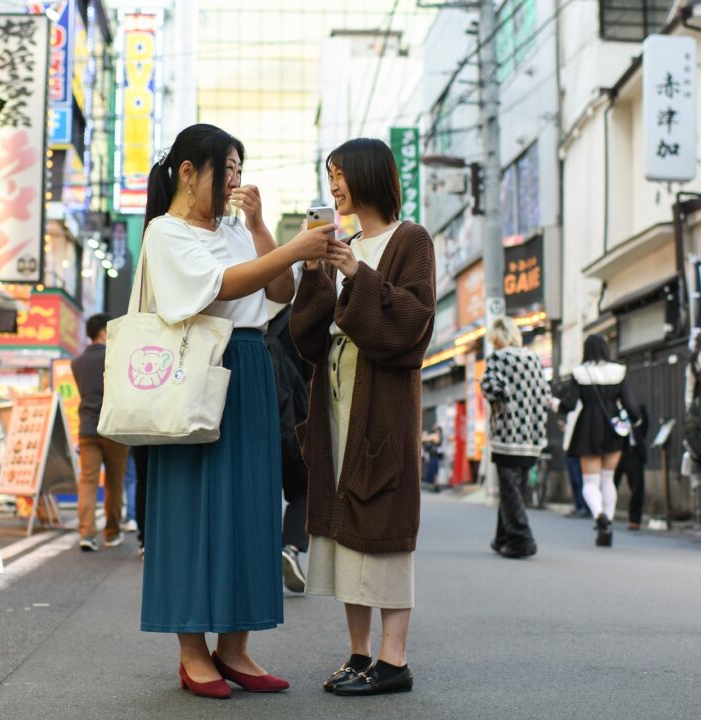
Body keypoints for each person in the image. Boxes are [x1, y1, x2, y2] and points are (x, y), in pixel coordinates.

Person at [138, 123, 334, 700]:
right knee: (193, 509)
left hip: (247, 366)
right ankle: (193, 651)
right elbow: (217, 287)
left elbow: (277, 294)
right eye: (225, 170)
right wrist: (298, 248)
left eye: (239, 172)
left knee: (251, 507)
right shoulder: (163, 233)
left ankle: (236, 647)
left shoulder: (232, 228)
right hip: (193, 367)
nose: (234, 182)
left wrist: (259, 226)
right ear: (188, 172)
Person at [290, 137, 436, 697]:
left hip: (382, 405)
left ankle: (393, 661)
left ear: (371, 175)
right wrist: (315, 273)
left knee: (386, 525)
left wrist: (357, 274)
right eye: (329, 175)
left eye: (341, 174)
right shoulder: (345, 242)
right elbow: (308, 337)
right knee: (346, 527)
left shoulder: (410, 239)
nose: (333, 186)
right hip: (336, 400)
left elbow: (413, 326)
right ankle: (357, 654)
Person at [552, 333, 638, 547]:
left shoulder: (581, 373)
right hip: (612, 429)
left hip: (588, 428)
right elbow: (630, 404)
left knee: (590, 482)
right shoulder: (619, 371)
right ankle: (607, 522)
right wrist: (635, 422)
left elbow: (569, 405)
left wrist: (553, 403)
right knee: (608, 479)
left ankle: (599, 516)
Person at [480, 317, 550, 559]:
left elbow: (490, 387)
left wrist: (504, 397)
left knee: (510, 491)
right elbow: (545, 392)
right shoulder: (532, 358)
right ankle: (502, 538)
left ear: (498, 337)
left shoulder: (499, 358)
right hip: (531, 436)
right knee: (514, 491)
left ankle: (522, 540)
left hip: (507, 435)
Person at [71, 314, 130, 552]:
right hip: (113, 427)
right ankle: (112, 533)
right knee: (114, 483)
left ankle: (86, 533)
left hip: (87, 428)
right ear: (104, 333)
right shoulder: (115, 357)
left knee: (88, 482)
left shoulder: (77, 363)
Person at [264, 303, 312, 593]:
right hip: (292, 419)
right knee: (305, 487)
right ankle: (290, 547)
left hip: (251, 421)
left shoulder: (245, 313)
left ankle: (255, 558)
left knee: (259, 492)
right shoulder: (298, 318)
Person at [614, 405, 648, 530]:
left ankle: (635, 520)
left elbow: (644, 426)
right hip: (615, 450)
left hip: (633, 451)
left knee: (637, 487)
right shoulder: (610, 406)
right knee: (610, 484)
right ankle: (605, 516)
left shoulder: (637, 406)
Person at [561, 404, 588, 517]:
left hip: (579, 449)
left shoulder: (583, 408)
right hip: (569, 448)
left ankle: (583, 506)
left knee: (579, 480)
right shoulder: (572, 410)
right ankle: (579, 505)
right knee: (574, 480)